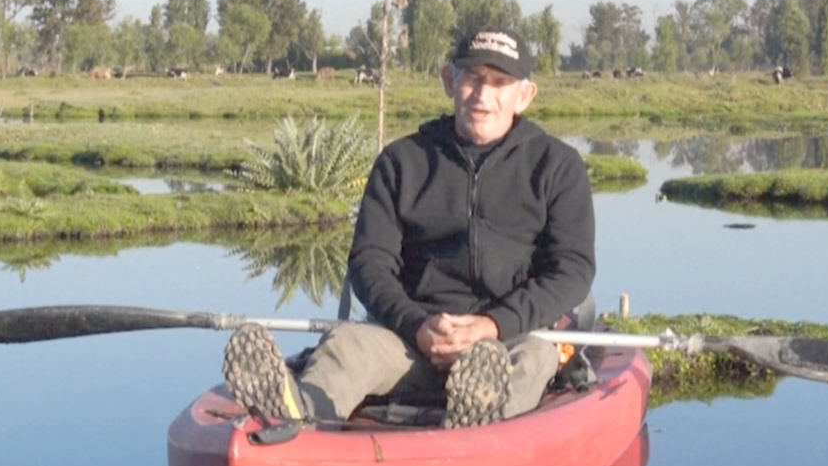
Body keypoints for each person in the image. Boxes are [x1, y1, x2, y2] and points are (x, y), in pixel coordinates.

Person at [223, 26, 596, 428]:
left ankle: (478, 422)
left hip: (507, 342)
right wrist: (417, 326)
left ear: (525, 95)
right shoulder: (401, 162)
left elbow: (572, 271)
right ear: (449, 80)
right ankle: (296, 416)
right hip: (410, 342)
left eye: (500, 82)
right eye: (472, 77)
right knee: (346, 346)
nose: (483, 96)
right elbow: (369, 264)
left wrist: (492, 325)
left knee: (536, 357)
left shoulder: (558, 166)